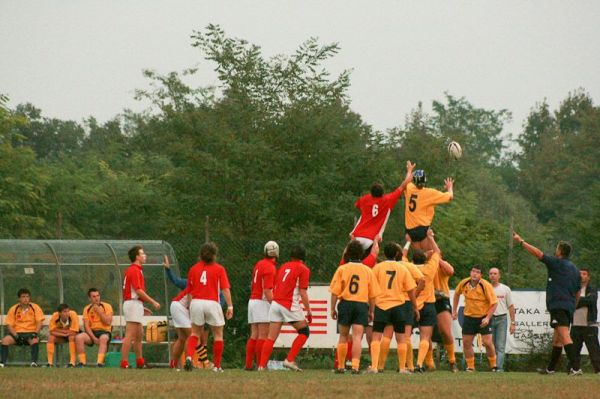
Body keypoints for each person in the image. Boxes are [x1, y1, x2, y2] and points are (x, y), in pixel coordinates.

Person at [512, 232, 582, 375]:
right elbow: (578, 292)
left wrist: (521, 242)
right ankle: (550, 369)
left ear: (560, 251)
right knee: (557, 339)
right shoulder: (575, 269)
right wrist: (573, 306)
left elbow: (538, 253)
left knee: (564, 334)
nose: (555, 250)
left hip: (558, 304)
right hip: (568, 306)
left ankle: (575, 367)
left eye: (557, 248)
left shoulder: (556, 262)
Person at [365, 242, 418, 374]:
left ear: (384, 254)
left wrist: (370, 306)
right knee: (401, 338)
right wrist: (415, 306)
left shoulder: (377, 268)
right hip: (398, 306)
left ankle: (374, 367)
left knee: (377, 336)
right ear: (396, 254)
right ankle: (402, 368)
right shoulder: (402, 268)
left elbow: (369, 286)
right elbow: (411, 289)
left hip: (381, 305)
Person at [330, 240, 381, 374]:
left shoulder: (342, 269)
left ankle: (340, 366)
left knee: (343, 336)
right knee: (357, 337)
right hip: (360, 305)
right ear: (362, 254)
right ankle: (355, 367)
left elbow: (335, 292)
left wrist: (332, 308)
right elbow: (372, 295)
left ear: (347, 253)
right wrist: (371, 311)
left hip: (345, 304)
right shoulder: (367, 270)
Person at [258, 245, 312, 372]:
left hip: (276, 303)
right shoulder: (303, 269)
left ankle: (261, 365)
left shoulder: (283, 266)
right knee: (304, 332)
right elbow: (303, 292)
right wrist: (308, 310)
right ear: (303, 258)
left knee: (271, 337)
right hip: (288, 304)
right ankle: (290, 360)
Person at [184, 242, 233, 372]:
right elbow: (225, 289)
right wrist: (230, 306)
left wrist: (190, 307)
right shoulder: (219, 269)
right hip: (212, 303)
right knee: (218, 335)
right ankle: (217, 366)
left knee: (195, 333)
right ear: (214, 255)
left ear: (200, 255)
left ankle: (189, 357)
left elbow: (189, 291)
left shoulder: (193, 269)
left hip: (196, 302)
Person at [377, 242, 425, 373]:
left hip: (389, 301)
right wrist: (415, 294)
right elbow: (422, 280)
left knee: (387, 334)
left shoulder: (383, 267)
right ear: (399, 254)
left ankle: (380, 366)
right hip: (405, 303)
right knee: (405, 336)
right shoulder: (407, 266)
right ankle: (407, 366)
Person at [350, 161, 415, 252]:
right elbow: (403, 185)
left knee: (350, 262)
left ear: (371, 193)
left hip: (357, 235)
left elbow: (356, 205)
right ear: (382, 193)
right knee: (369, 264)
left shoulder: (364, 199)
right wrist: (409, 171)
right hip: (372, 238)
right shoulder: (387, 200)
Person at [164, 256, 214, 368]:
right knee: (193, 335)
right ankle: (202, 362)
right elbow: (190, 295)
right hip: (179, 307)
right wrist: (193, 314)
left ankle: (173, 364)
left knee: (182, 338)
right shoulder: (198, 281)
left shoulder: (202, 281)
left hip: (178, 306)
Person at [121, 245, 161, 369]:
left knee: (139, 334)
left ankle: (140, 362)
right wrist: (153, 302)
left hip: (135, 304)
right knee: (130, 335)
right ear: (137, 257)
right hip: (132, 303)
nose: (145, 256)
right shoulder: (134, 270)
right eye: (142, 254)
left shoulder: (137, 269)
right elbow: (138, 290)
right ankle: (124, 363)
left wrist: (142, 306)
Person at [453, 266, 498, 372]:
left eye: (477, 272)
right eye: (473, 271)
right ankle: (470, 367)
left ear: (481, 275)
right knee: (466, 342)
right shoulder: (464, 283)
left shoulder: (485, 285)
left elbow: (494, 303)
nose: (474, 274)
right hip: (469, 317)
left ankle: (494, 366)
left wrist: (487, 318)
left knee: (487, 342)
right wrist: (454, 311)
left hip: (483, 318)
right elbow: (456, 294)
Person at [407, 229, 440, 373]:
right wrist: (430, 237)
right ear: (425, 258)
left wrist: (408, 242)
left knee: (405, 336)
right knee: (425, 337)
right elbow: (437, 252)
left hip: (411, 304)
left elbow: (402, 255)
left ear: (413, 259)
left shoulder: (408, 267)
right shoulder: (430, 268)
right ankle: (419, 364)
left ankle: (408, 364)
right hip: (428, 305)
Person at [245, 241, 278, 370]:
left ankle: (248, 364)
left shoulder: (259, 264)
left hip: (253, 300)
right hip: (262, 301)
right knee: (263, 335)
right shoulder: (270, 267)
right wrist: (275, 305)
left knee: (254, 334)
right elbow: (267, 290)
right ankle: (260, 364)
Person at [403, 170, 453, 251]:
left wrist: (409, 171)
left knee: (420, 260)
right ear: (425, 180)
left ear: (414, 181)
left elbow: (406, 181)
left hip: (410, 231)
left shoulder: (409, 188)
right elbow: (450, 197)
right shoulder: (429, 193)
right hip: (422, 230)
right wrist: (450, 188)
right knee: (434, 257)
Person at [0, 288, 44, 367]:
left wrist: (35, 333)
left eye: (27, 296)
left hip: (31, 333)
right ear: (19, 298)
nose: (25, 299)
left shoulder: (35, 307)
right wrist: (16, 336)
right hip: (17, 333)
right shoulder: (13, 309)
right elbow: (9, 325)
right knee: (5, 340)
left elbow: (39, 322)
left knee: (34, 340)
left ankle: (34, 363)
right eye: (23, 297)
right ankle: (2, 363)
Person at [568, 268, 600, 373]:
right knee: (574, 349)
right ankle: (573, 369)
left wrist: (576, 301)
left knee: (594, 349)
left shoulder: (592, 289)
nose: (582, 275)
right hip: (575, 324)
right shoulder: (572, 289)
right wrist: (578, 302)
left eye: (584, 274)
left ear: (588, 277)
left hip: (589, 325)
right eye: (580, 274)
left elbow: (590, 301)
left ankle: (598, 370)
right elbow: (569, 302)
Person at [75, 288, 113, 367]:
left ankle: (99, 363)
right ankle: (82, 363)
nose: (97, 298)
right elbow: (86, 326)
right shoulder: (87, 308)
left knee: (103, 338)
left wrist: (99, 311)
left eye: (98, 295)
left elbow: (108, 322)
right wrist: (93, 338)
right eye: (94, 296)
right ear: (90, 298)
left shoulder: (107, 306)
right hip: (92, 333)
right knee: (79, 337)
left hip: (104, 331)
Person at [433, 257, 459, 372]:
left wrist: (437, 259)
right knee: (426, 333)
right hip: (426, 299)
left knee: (445, 332)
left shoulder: (442, 264)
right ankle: (428, 363)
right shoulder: (421, 263)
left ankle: (452, 361)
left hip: (441, 299)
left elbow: (450, 271)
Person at [488, 267, 516, 372]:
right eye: (491, 273)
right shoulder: (486, 288)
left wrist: (513, 323)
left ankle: (499, 368)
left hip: (502, 319)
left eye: (495, 273)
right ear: (488, 275)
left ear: (499, 275)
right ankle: (492, 367)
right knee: (490, 345)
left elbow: (511, 306)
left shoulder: (505, 289)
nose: (493, 275)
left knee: (500, 345)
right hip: (489, 319)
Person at [46, 303, 80, 367]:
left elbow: (75, 331)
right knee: (51, 338)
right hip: (61, 336)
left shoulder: (73, 314)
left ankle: (72, 363)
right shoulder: (55, 316)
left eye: (68, 311)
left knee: (71, 337)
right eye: (64, 312)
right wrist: (63, 334)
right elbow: (51, 331)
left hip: (71, 336)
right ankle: (49, 363)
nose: (67, 313)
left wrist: (58, 330)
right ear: (59, 313)